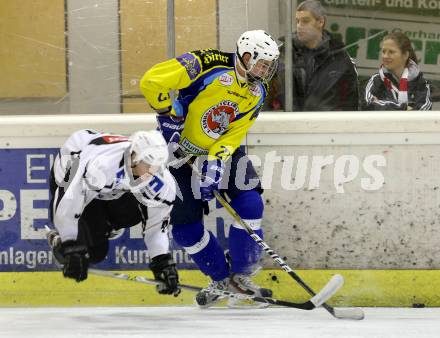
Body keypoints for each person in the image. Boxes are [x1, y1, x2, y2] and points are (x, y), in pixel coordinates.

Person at [140, 30, 280, 308]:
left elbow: (234, 132)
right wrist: (167, 115)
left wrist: (216, 163)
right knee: (184, 225)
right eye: (263, 63)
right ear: (247, 56)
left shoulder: (257, 91)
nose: (266, 71)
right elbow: (151, 81)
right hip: (174, 153)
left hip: (218, 152)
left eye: (269, 66)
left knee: (250, 204)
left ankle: (241, 278)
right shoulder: (206, 63)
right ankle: (220, 278)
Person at [49, 129, 180, 296]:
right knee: (93, 253)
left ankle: (103, 225)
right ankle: (61, 239)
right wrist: (70, 245)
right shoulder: (100, 166)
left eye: (157, 165)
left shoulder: (161, 181)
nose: (152, 171)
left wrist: (162, 262)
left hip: (109, 188)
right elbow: (66, 206)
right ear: (134, 156)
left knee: (140, 209)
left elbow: (156, 226)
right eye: (147, 163)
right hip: (70, 171)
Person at [269, 0, 359, 111]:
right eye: (297, 21)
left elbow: (350, 102)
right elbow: (265, 95)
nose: (299, 26)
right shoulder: (282, 55)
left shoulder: (339, 57)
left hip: (327, 125)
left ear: (320, 22)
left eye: (305, 21)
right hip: (288, 125)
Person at [364, 31, 432, 111]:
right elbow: (367, 104)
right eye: (383, 51)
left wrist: (382, 103)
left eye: (391, 52)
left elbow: (423, 111)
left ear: (405, 55)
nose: (385, 56)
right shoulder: (376, 80)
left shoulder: (421, 84)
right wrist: (405, 108)